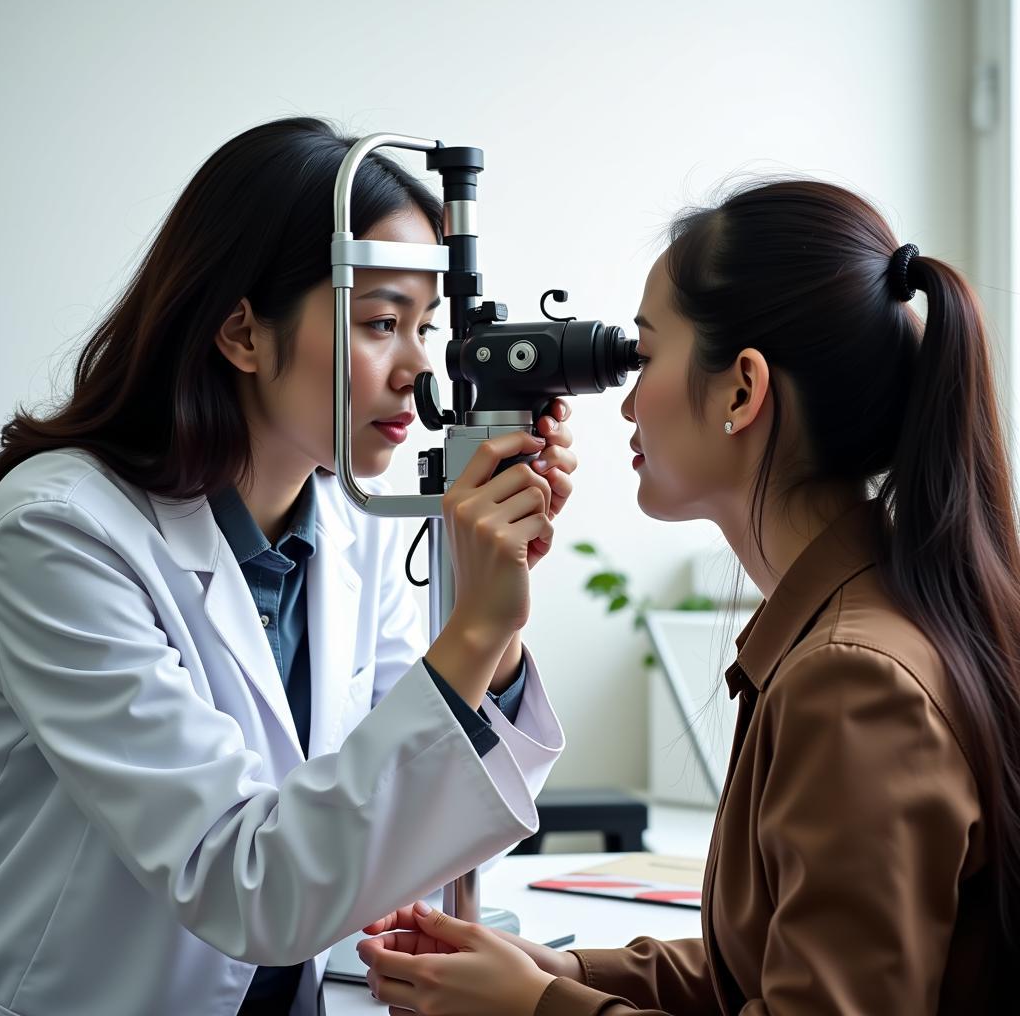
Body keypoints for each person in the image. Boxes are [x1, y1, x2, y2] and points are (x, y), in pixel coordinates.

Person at [358, 179, 1016, 1014]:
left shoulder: (854, 681)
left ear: (742, 391)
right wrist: (550, 974)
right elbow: (757, 972)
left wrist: (532, 1010)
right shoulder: (853, 627)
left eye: (646, 354)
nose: (627, 402)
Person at [0, 117, 579, 1016]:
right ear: (243, 334)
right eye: (382, 322)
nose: (419, 371)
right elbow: (243, 882)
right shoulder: (58, 532)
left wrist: (494, 624)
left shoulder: (361, 522)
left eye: (426, 327)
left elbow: (415, 812)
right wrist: (470, 630)